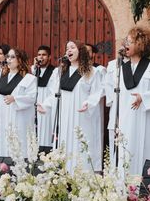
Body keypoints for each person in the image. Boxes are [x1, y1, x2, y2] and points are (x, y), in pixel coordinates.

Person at [105, 26, 150, 176]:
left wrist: (143, 97)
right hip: (125, 119)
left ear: (140, 44)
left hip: (144, 118)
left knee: (144, 150)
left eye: (130, 41)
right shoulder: (120, 68)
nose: (126, 44)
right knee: (125, 153)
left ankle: (145, 189)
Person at [39, 40, 103, 173]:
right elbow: (54, 93)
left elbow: (97, 92)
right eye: (67, 48)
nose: (69, 50)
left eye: (72, 47)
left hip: (81, 116)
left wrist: (88, 103)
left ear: (81, 51)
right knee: (64, 145)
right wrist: (45, 105)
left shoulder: (91, 71)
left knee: (80, 146)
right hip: (64, 118)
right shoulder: (60, 71)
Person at [0, 47, 37, 157]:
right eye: (8, 57)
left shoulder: (29, 78)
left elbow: (31, 97)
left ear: (20, 60)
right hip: (3, 118)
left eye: (12, 57)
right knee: (3, 143)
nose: (9, 59)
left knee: (18, 144)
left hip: (19, 119)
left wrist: (15, 98)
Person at [32, 45, 58, 148]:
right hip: (34, 105)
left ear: (50, 57)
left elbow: (53, 90)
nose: (41, 57)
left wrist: (45, 104)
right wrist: (34, 68)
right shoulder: (33, 70)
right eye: (39, 55)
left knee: (46, 131)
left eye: (44, 55)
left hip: (47, 106)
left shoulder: (54, 71)